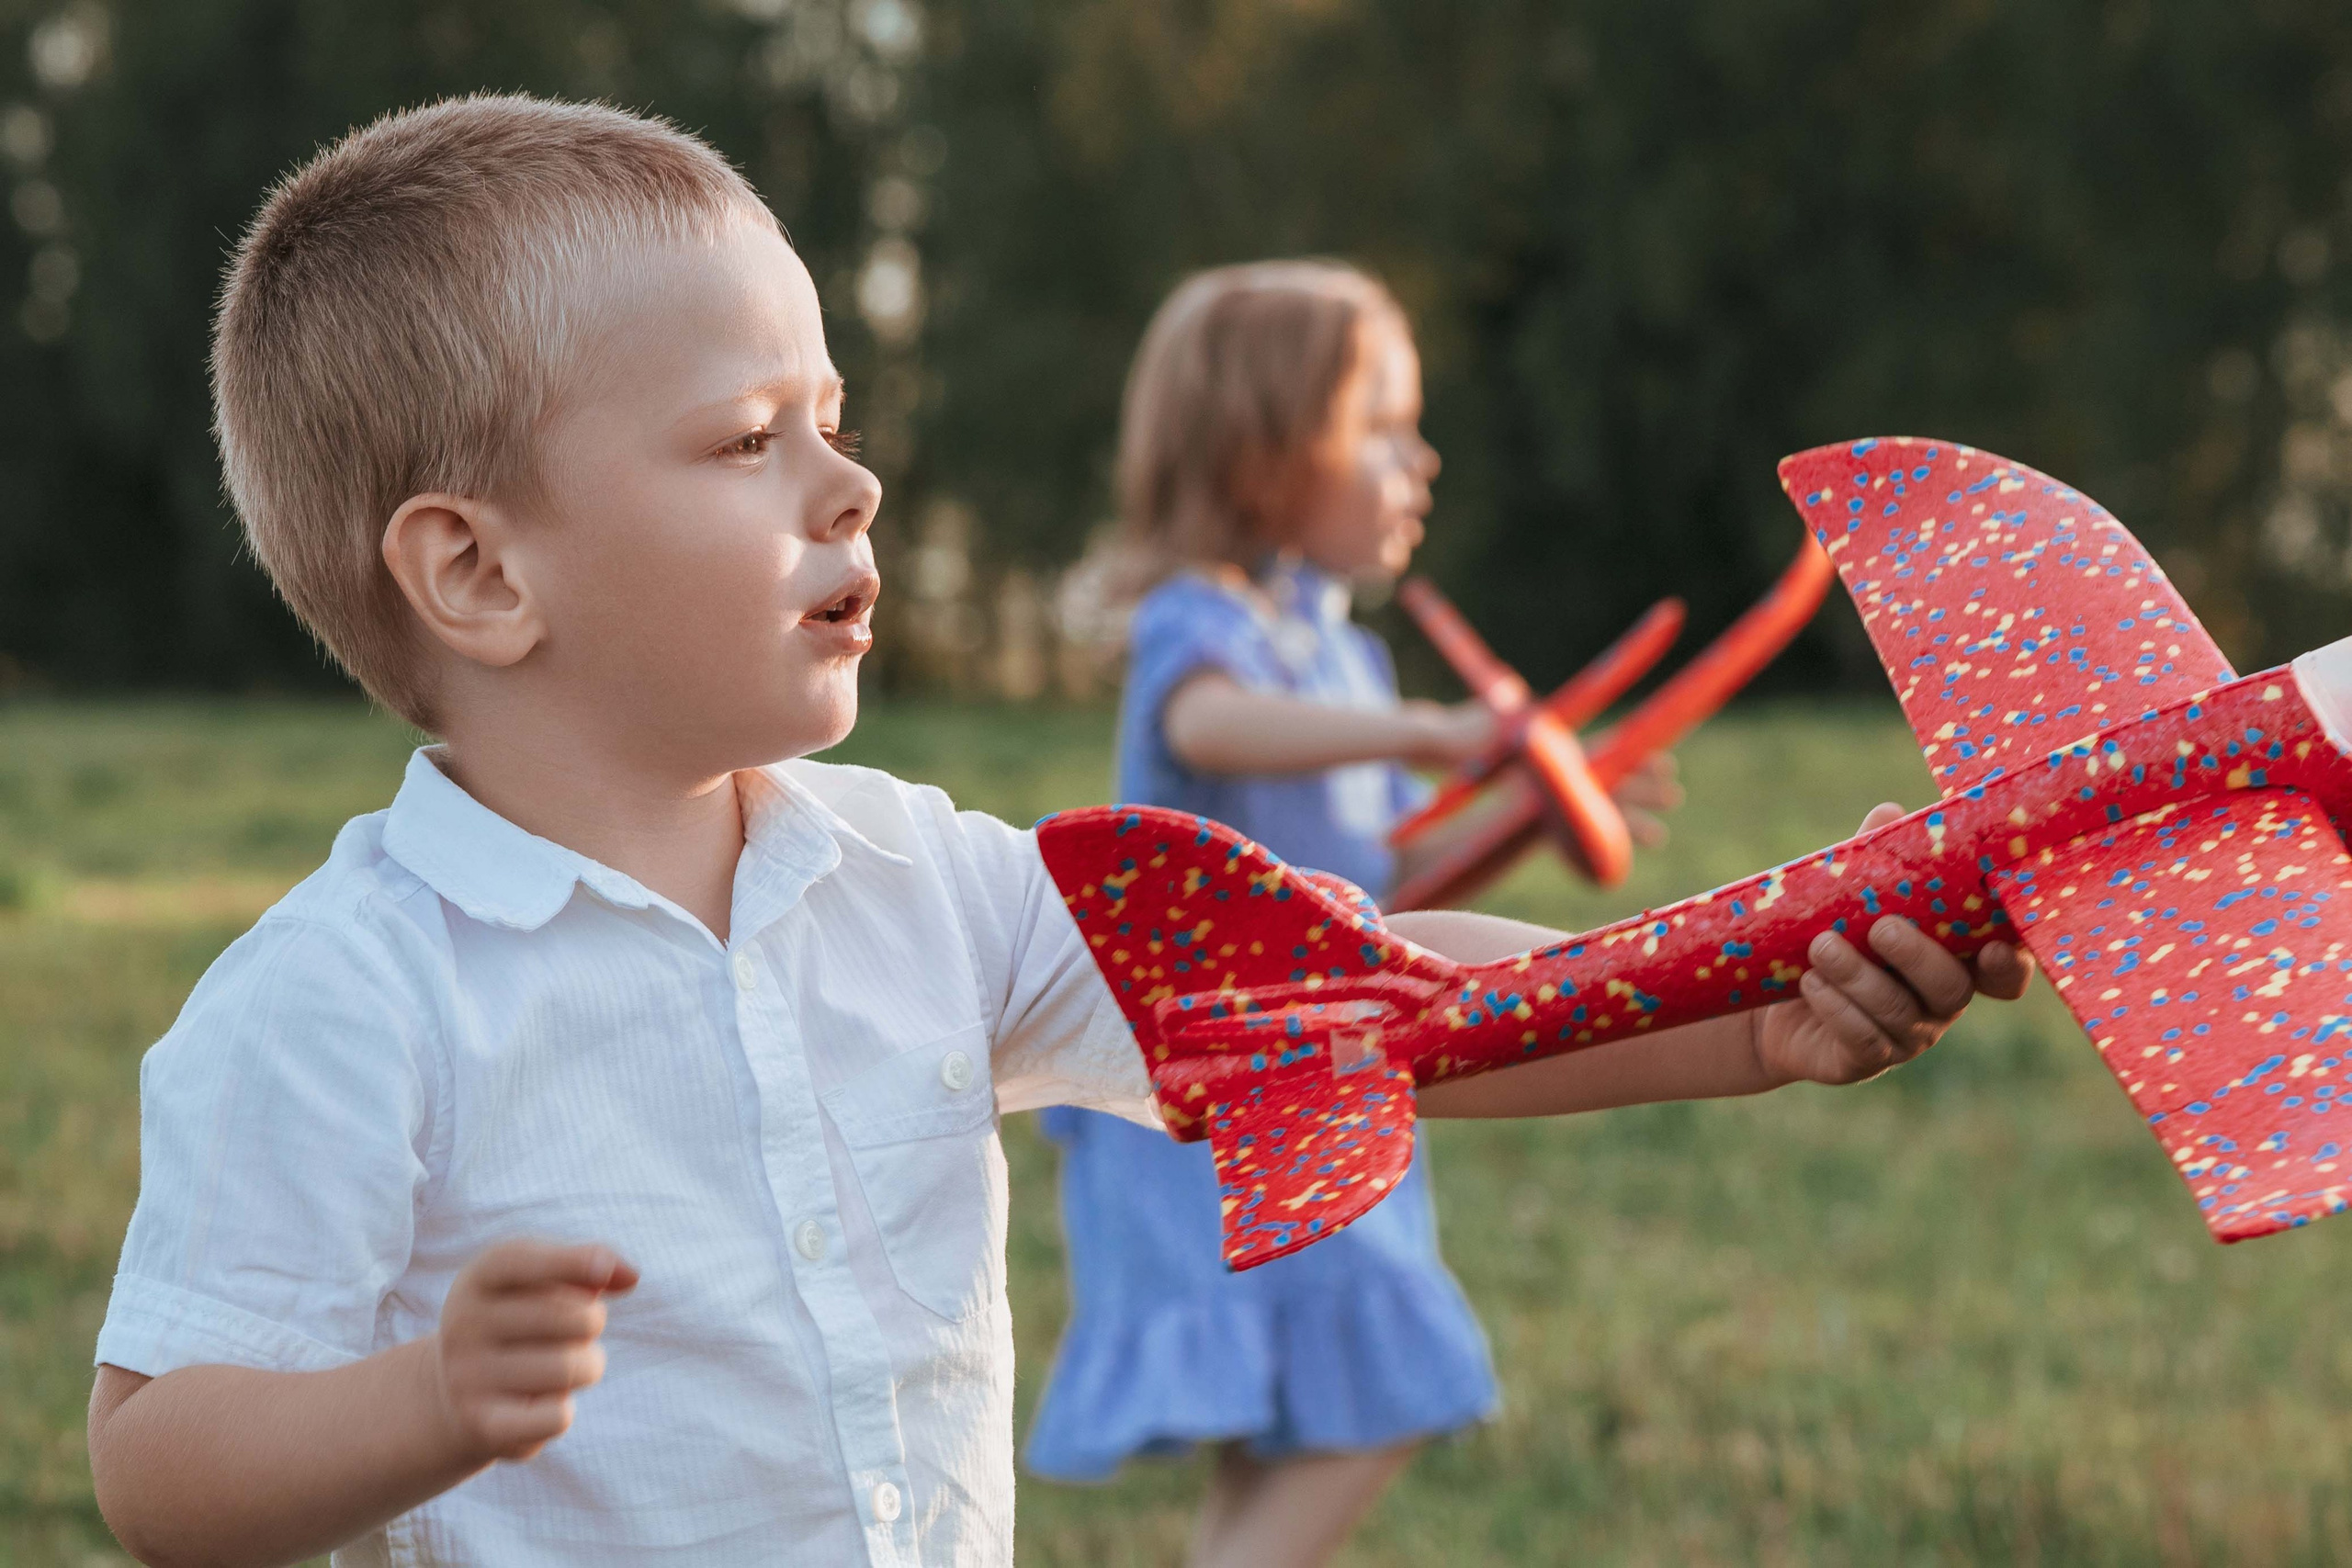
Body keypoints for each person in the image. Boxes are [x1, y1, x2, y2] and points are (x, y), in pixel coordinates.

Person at [82, 101, 2030, 1568]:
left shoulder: (925, 881)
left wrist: (1749, 997)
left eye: (831, 414)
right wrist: (424, 1400)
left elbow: (1355, 999)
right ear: (478, 570)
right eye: (748, 436)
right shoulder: (341, 1000)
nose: (847, 481)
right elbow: (156, 1459)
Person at [1023, 261, 1682, 1567]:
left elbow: (1389, 897)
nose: (1420, 461)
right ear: (1266, 453)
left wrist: (1529, 813)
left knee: (1289, 1438)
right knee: (1380, 1394)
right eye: (1382, 427)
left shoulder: (1345, 649)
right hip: (1213, 1100)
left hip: (1335, 1079)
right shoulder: (1199, 626)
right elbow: (1209, 726)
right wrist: (1432, 731)